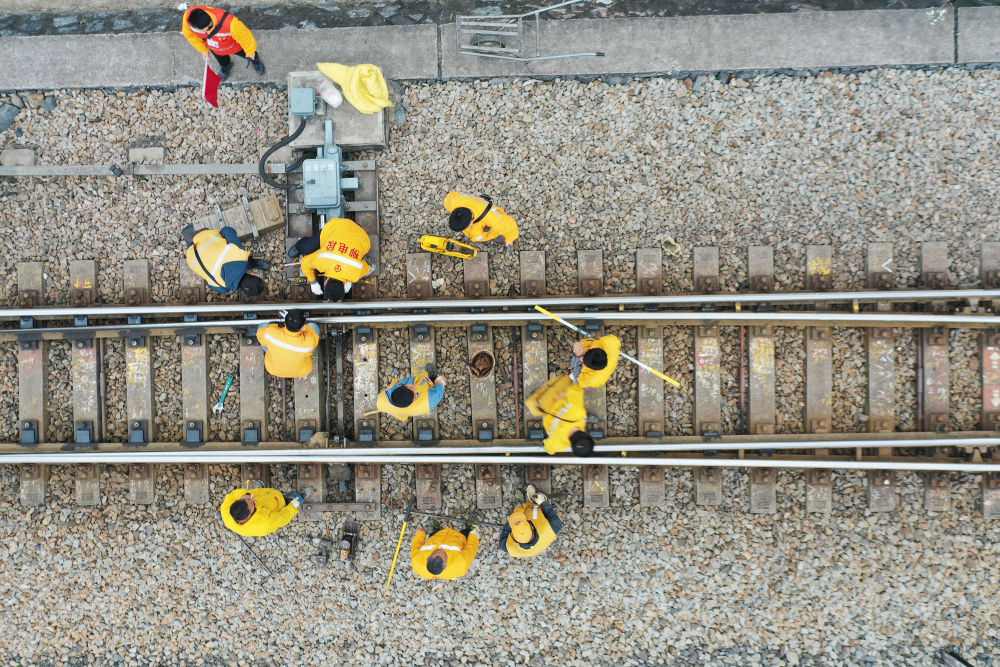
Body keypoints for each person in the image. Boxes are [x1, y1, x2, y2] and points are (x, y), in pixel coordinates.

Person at [287, 218, 374, 302]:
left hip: (359, 232)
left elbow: (367, 268)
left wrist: (350, 279)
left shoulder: (355, 275)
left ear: (344, 286)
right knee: (306, 248)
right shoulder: (321, 263)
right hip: (336, 226)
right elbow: (305, 261)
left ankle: (299, 247)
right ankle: (299, 247)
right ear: (325, 283)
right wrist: (313, 281)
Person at [182, 5, 265, 80]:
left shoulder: (231, 23)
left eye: (210, 26)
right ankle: (226, 66)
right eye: (205, 30)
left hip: (235, 47)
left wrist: (250, 52)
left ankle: (256, 62)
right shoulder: (187, 24)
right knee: (222, 60)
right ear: (195, 27)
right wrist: (203, 50)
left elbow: (245, 37)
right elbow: (192, 37)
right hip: (215, 49)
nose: (207, 31)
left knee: (251, 55)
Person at [183, 225, 268, 296]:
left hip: (203, 239)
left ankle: (193, 237)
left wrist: (223, 237)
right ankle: (190, 242)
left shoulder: (240, 255)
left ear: (253, 274)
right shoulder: (223, 288)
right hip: (191, 258)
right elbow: (209, 285)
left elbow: (227, 230)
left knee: (242, 257)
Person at [525, 374, 594, 456]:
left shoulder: (579, 414)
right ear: (572, 446)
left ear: (588, 434)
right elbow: (549, 448)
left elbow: (575, 390)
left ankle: (542, 393)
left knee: (567, 390)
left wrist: (576, 384)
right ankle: (537, 398)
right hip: (545, 411)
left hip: (556, 396)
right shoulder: (559, 445)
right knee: (536, 406)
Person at [219, 485, 313, 537]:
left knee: (257, 494)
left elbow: (232, 495)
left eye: (247, 500)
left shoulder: (225, 509)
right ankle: (298, 498)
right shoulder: (263, 525)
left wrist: (245, 495)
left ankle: (262, 489)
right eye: (253, 504)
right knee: (288, 502)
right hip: (275, 505)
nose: (253, 500)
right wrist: (292, 507)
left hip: (262, 495)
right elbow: (282, 517)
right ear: (248, 517)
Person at [500, 485, 563, 558]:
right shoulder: (550, 528)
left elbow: (504, 537)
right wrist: (544, 503)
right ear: (532, 528)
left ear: (514, 539)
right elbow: (557, 524)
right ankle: (535, 501)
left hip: (526, 512)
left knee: (518, 512)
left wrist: (512, 522)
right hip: (535, 511)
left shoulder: (509, 547)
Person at [255, 309, 320, 378]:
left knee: (263, 326)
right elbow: (311, 331)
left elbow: (259, 335)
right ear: (303, 327)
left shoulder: (269, 333)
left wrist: (276, 326)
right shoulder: (309, 342)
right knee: (314, 327)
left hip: (273, 369)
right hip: (302, 371)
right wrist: (305, 327)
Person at [444, 191, 519, 247]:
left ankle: (497, 235)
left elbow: (510, 227)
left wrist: (509, 239)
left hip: (488, 230)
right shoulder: (456, 201)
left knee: (498, 232)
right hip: (476, 207)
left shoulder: (493, 220)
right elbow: (448, 198)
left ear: (471, 222)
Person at [411, 521, 480, 580]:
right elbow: (471, 548)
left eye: (436, 551)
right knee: (467, 533)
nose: (442, 549)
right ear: (445, 566)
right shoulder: (460, 564)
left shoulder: (417, 561)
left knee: (435, 532)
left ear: (427, 558)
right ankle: (470, 528)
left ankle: (437, 529)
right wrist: (473, 534)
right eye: (445, 554)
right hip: (458, 538)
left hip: (436, 537)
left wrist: (420, 534)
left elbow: (416, 545)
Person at [377, 364, 446, 421]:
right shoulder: (426, 403)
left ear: (402, 386)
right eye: (415, 395)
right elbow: (438, 393)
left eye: (412, 388)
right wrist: (439, 383)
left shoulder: (381, 400)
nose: (416, 391)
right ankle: (431, 378)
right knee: (423, 384)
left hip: (400, 413)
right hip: (424, 392)